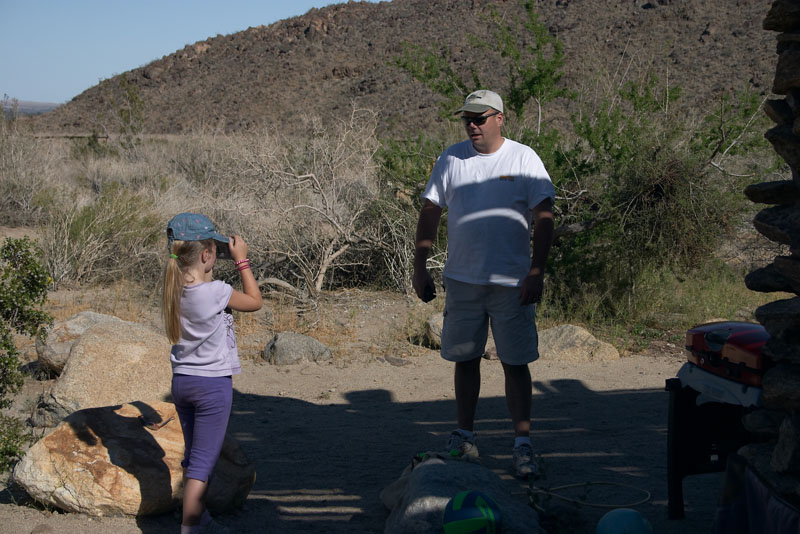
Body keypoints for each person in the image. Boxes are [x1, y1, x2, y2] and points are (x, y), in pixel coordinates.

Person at [412, 90, 555, 479]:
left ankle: (522, 445)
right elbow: (430, 211)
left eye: (479, 118)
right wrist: (420, 267)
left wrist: (536, 271)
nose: (472, 125)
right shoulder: (451, 159)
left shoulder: (524, 159)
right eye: (467, 120)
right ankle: (464, 438)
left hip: (511, 282)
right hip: (463, 280)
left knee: (516, 363)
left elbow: (544, 217)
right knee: (465, 359)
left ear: (500, 119)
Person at [162, 213, 263, 534]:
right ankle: (190, 526)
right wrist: (241, 261)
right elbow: (255, 301)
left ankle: (201, 517)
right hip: (212, 386)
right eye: (215, 252)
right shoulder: (216, 291)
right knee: (203, 464)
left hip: (182, 381)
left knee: (193, 455)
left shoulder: (173, 289)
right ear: (206, 255)